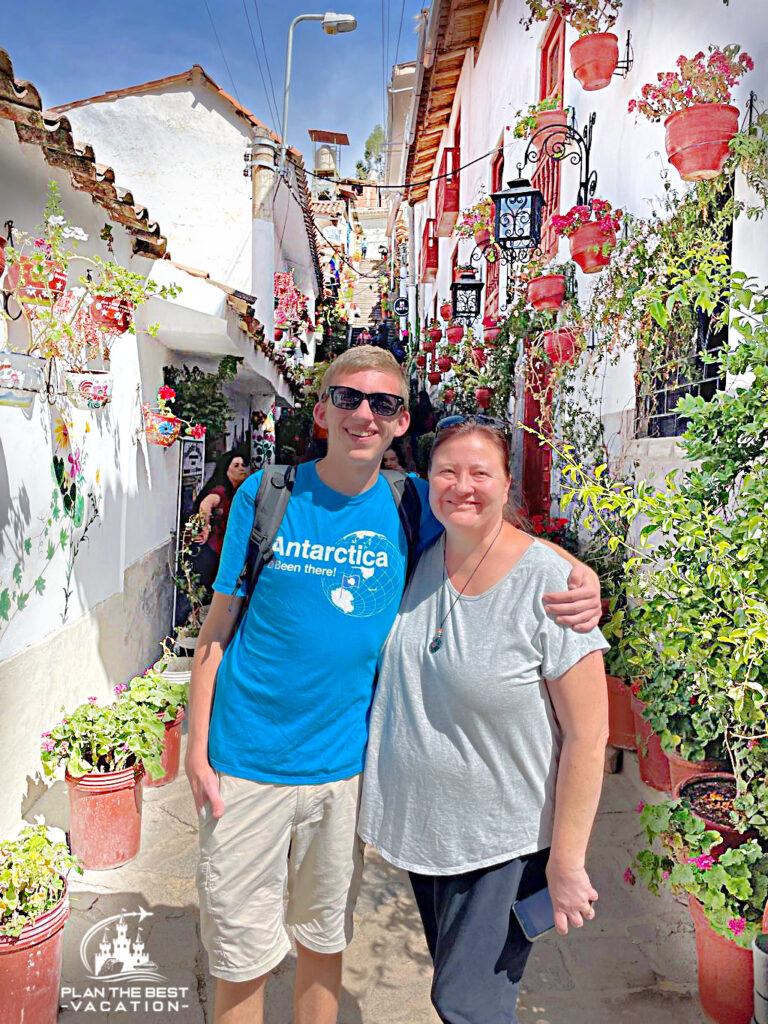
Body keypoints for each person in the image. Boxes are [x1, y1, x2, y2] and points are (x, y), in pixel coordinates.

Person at [185, 348, 603, 1024]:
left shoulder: (411, 502)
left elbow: (489, 522)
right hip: (245, 765)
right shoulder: (266, 495)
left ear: (401, 420)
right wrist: (195, 748)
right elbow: (218, 626)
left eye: (382, 403)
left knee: (324, 941)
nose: (363, 414)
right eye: (348, 398)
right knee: (241, 957)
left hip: (344, 771)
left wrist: (577, 571)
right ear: (321, 409)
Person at [358, 418, 610, 1024]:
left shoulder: (551, 586)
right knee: (460, 993)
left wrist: (568, 862)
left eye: (481, 473)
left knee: (466, 1005)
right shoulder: (419, 548)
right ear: (427, 480)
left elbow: (589, 734)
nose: (462, 486)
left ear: (506, 484)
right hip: (425, 832)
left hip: (503, 843)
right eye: (447, 471)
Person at [190, 450, 250, 591]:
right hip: (212, 551)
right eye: (236, 465)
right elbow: (206, 504)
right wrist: (205, 528)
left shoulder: (237, 492)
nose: (242, 469)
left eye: (243, 465)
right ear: (226, 470)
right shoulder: (221, 490)